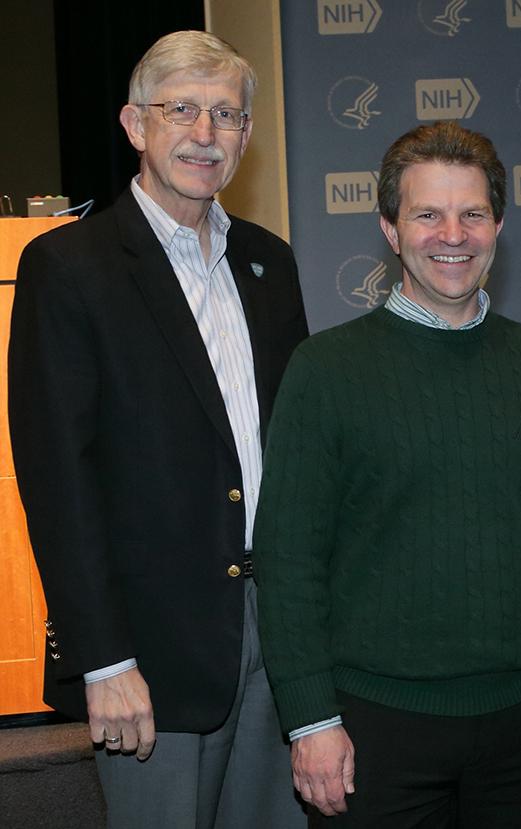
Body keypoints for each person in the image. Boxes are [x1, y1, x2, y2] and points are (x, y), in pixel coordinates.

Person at [254, 120, 521, 827]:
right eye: (427, 214)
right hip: (375, 728)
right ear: (391, 229)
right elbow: (288, 560)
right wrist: (309, 719)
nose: (452, 234)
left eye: (471, 214)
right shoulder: (325, 371)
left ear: (498, 225)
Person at [7, 30, 309, 829]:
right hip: (149, 654)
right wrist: (104, 657)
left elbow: (298, 454)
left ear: (247, 136)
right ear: (136, 125)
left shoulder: (270, 264)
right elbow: (57, 479)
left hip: (275, 642)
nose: (206, 134)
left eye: (226, 115)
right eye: (182, 110)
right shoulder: (68, 268)